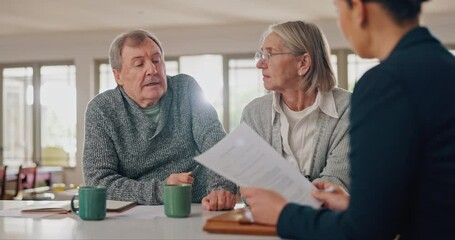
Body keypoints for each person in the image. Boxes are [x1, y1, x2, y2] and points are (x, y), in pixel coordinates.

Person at [241, 0, 455, 239]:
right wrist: (355, 206)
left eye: (338, 10)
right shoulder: (445, 67)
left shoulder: (385, 84)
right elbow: (436, 198)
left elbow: (364, 232)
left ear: (359, 9)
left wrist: (283, 214)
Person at [83, 29, 236, 211]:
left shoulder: (186, 88)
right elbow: (98, 182)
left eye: (156, 60)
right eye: (139, 64)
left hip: (199, 203)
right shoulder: (102, 109)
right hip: (136, 212)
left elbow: (216, 144)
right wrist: (162, 190)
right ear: (118, 76)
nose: (152, 70)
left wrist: (222, 187)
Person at [241, 21, 351, 190]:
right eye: (261, 55)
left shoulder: (349, 109)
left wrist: (276, 195)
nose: (260, 64)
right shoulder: (253, 113)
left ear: (303, 63)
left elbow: (335, 186)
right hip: (267, 217)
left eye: (269, 55)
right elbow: (251, 185)